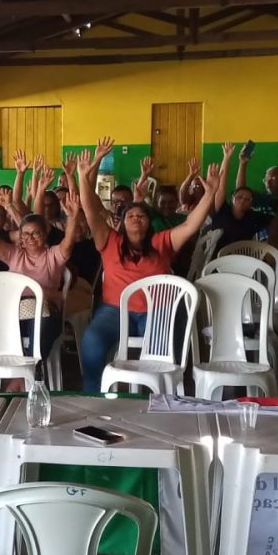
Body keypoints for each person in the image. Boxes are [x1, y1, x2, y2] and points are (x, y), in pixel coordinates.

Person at [78, 138, 221, 393]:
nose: (136, 218)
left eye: (141, 216)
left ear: (149, 222)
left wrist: (209, 194)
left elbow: (190, 225)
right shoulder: (109, 241)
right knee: (92, 341)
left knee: (163, 355)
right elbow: (90, 210)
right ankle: (93, 395)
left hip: (158, 311)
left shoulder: (161, 242)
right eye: (130, 216)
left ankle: (165, 396)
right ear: (122, 223)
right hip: (114, 311)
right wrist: (83, 175)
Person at [0, 185, 79, 364]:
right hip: (15, 309)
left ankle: (32, 368)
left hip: (45, 312)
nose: (30, 238)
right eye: (25, 234)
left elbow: (69, 242)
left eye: (36, 233)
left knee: (41, 326)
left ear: (45, 234)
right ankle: (14, 368)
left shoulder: (53, 255)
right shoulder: (14, 254)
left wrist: (72, 217)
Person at [209, 143, 278, 254]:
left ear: (251, 204)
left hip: (243, 259)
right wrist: (227, 158)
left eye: (247, 199)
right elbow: (221, 187)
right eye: (239, 197)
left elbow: (274, 220)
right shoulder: (222, 209)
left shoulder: (252, 217)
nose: (243, 200)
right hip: (218, 258)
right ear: (232, 198)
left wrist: (272, 243)